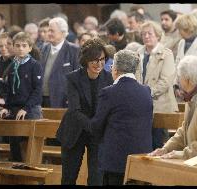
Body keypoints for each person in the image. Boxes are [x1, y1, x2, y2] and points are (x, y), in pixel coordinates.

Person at [83, 49, 153, 185]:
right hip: (142, 157)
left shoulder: (109, 92)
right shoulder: (146, 91)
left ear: (115, 69)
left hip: (116, 160)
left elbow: (97, 126)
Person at [56, 38, 113, 185]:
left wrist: (98, 127)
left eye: (101, 59)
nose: (98, 64)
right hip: (75, 130)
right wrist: (92, 126)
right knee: (69, 177)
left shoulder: (109, 78)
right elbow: (75, 109)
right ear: (86, 60)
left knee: (96, 179)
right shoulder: (73, 78)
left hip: (97, 133)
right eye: (94, 60)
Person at [0, 32, 43, 162]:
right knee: (15, 149)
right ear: (13, 47)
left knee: (28, 151)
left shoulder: (35, 65)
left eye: (24, 45)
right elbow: (11, 91)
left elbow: (37, 91)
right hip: (15, 111)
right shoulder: (13, 66)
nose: (21, 48)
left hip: (30, 110)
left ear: (30, 48)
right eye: (17, 45)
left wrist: (26, 108)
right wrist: (6, 107)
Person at [135, 20, 178, 150]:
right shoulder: (138, 53)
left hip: (160, 105)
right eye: (143, 34)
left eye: (149, 33)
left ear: (158, 35)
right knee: (143, 144)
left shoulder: (166, 54)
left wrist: (146, 93)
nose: (146, 36)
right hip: (141, 105)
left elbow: (165, 81)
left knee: (157, 143)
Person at [40, 17, 80, 108]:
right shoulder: (43, 49)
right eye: (48, 31)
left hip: (62, 101)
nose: (49, 33)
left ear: (63, 33)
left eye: (52, 31)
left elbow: (78, 78)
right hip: (42, 100)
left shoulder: (74, 50)